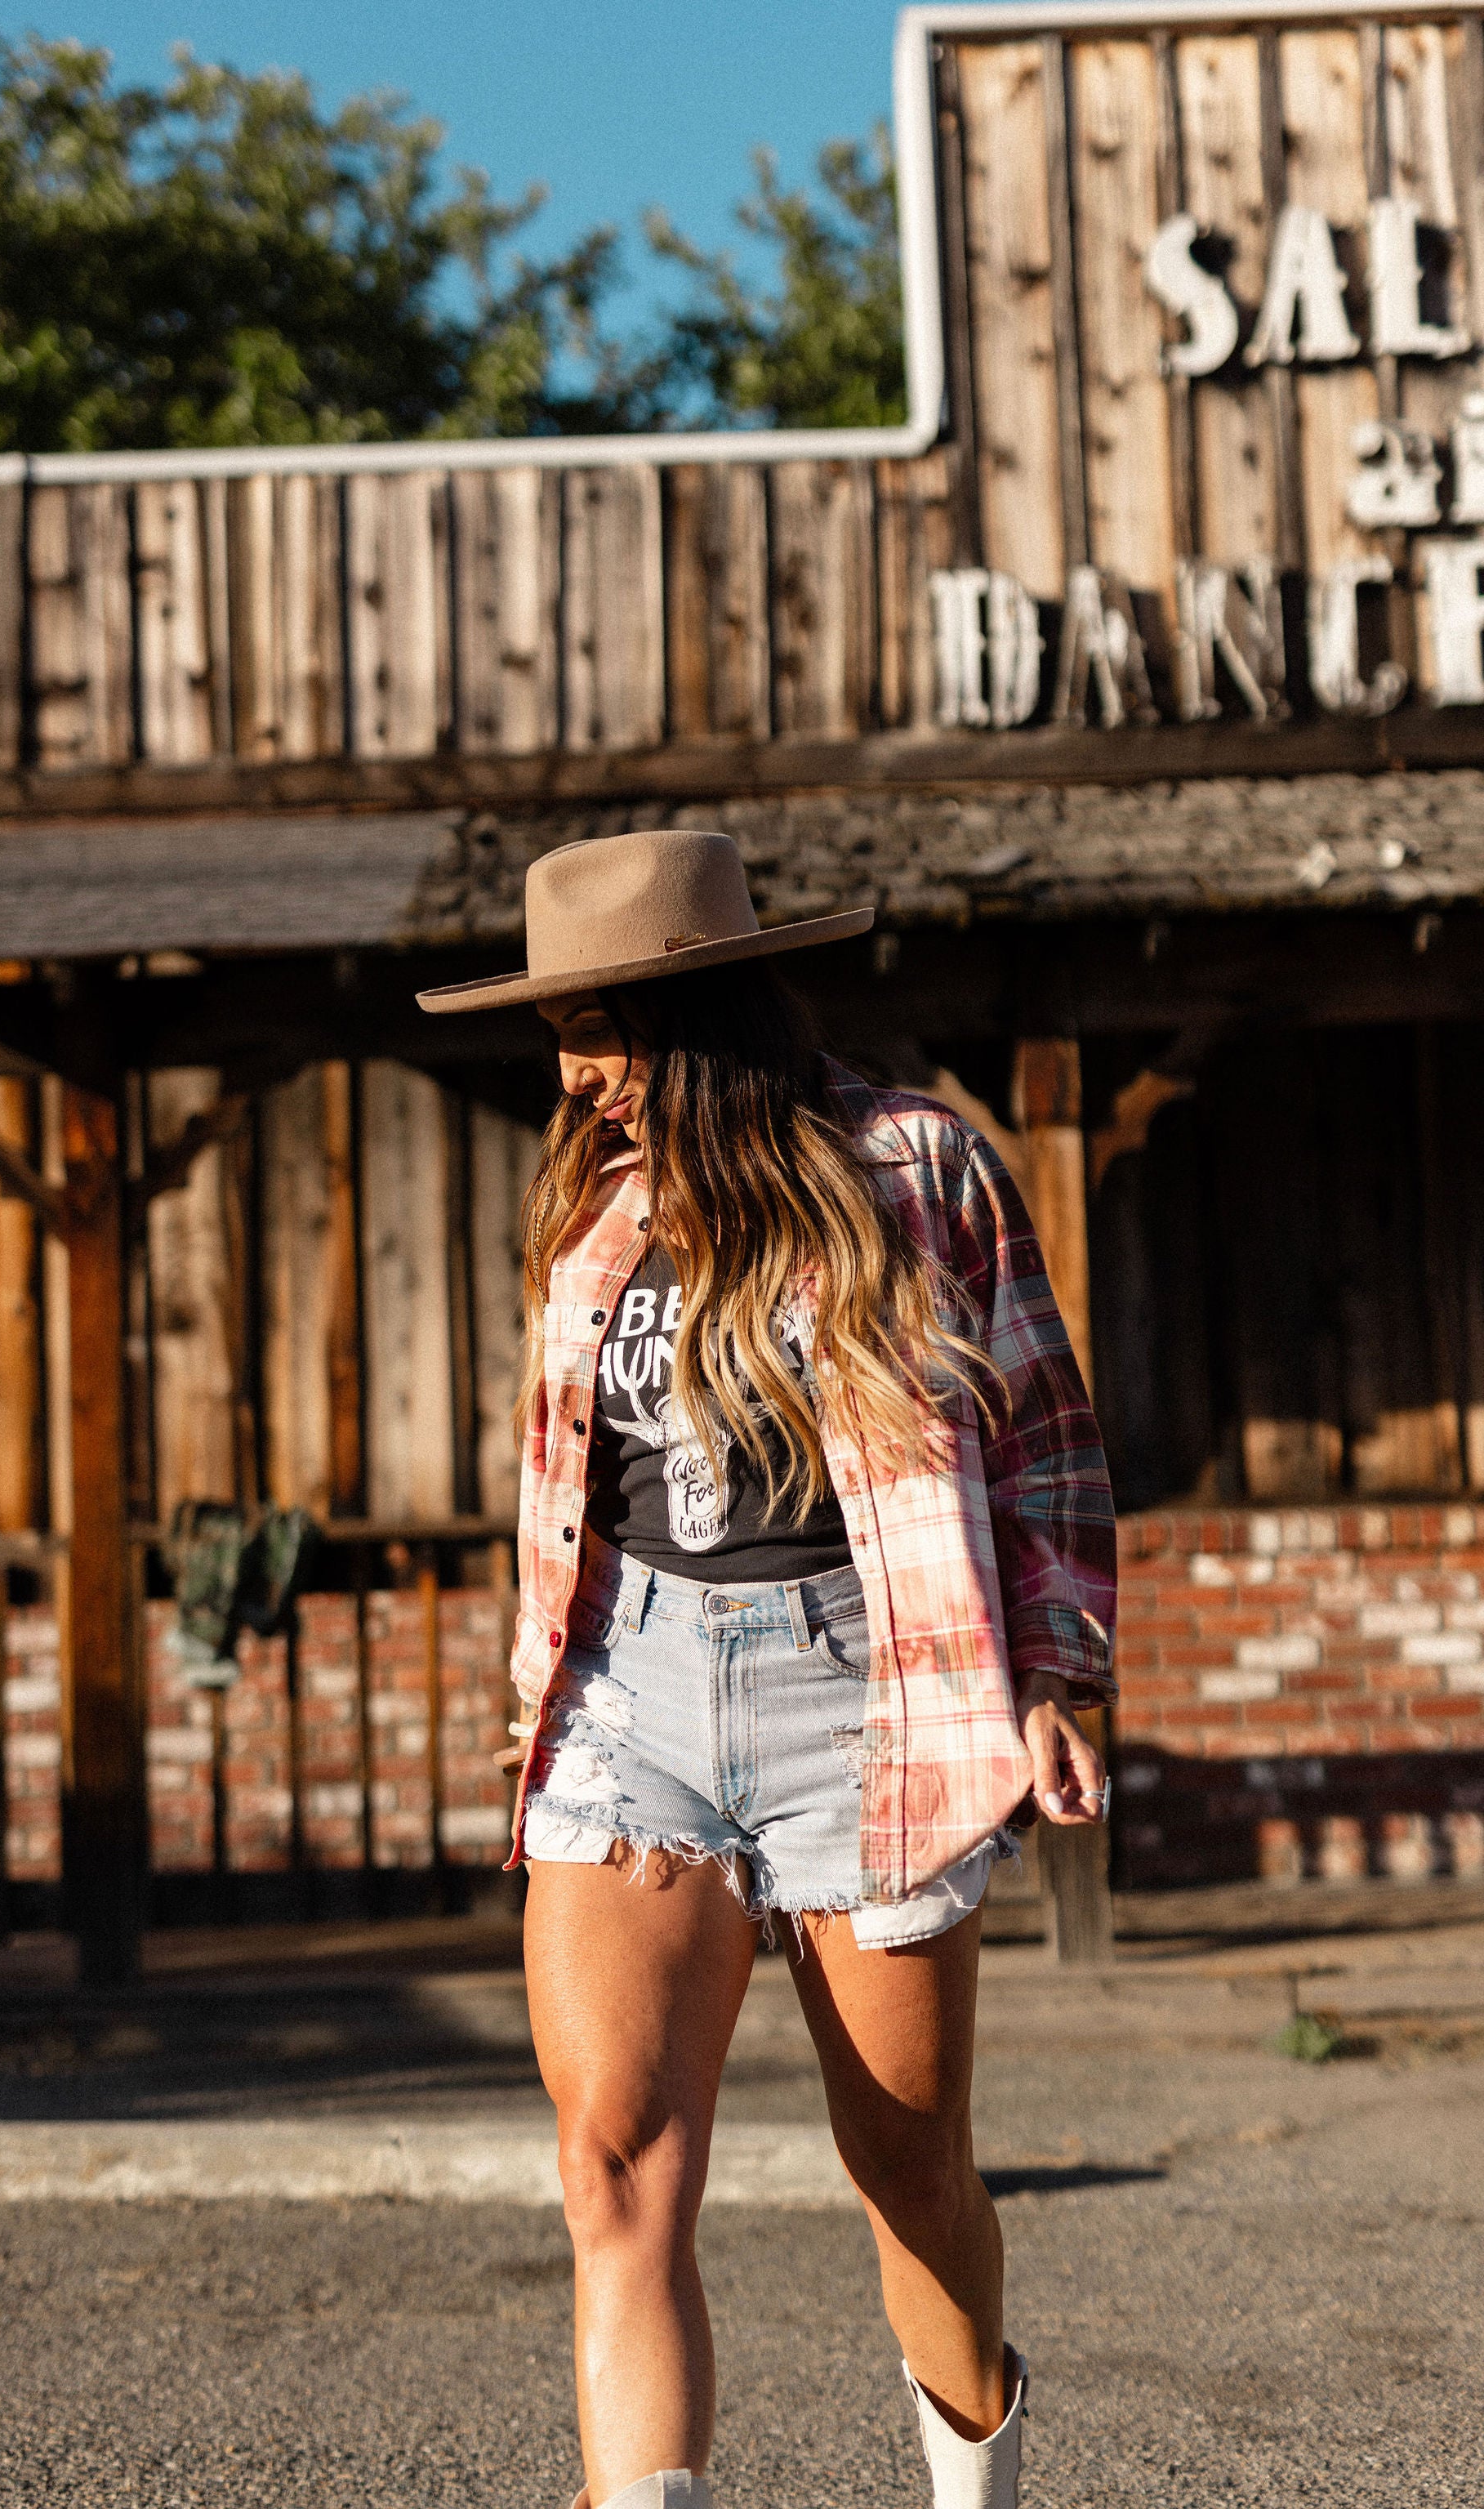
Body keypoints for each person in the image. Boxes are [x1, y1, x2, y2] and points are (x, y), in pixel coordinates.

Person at [417, 829, 1116, 2509]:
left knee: (908, 2172)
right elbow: (566, 1472)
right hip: (627, 1696)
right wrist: (540, 1690)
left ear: (709, 1010)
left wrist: (1058, 1669)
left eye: (601, 1026)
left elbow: (1042, 1443)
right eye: (561, 1029)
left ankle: (976, 2478)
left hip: (869, 1699)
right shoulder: (589, 1194)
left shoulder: (916, 1165)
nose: (576, 1071)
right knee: (612, 2167)